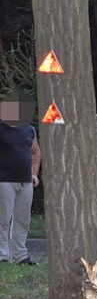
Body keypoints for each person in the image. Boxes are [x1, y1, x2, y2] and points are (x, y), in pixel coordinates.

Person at [0, 94, 40, 265]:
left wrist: (34, 173)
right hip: (4, 180)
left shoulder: (29, 130)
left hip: (25, 180)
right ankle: (3, 255)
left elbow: (36, 151)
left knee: (23, 219)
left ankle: (20, 255)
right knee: (3, 219)